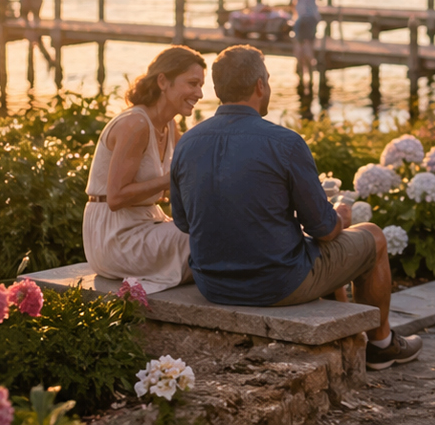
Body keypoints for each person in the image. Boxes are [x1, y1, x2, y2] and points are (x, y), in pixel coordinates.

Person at [169, 45, 421, 369]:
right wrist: (341, 216)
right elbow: (325, 231)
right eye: (269, 80)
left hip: (212, 283)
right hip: (277, 284)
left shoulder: (187, 142)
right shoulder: (285, 143)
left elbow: (185, 222)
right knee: (373, 236)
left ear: (217, 89)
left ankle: (350, 338)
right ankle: (382, 345)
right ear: (260, 85)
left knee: (304, 246)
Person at [83, 46, 205, 293]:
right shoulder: (135, 124)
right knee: (207, 237)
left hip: (147, 222)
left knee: (217, 228)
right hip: (114, 236)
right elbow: (116, 198)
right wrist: (168, 180)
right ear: (163, 81)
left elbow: (179, 182)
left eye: (201, 85)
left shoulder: (170, 126)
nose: (199, 93)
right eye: (192, 83)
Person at [289, 0, 322, 91]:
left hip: (302, 19)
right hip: (313, 18)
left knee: (299, 42)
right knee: (310, 43)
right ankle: (310, 70)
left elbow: (291, 2)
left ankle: (301, 67)